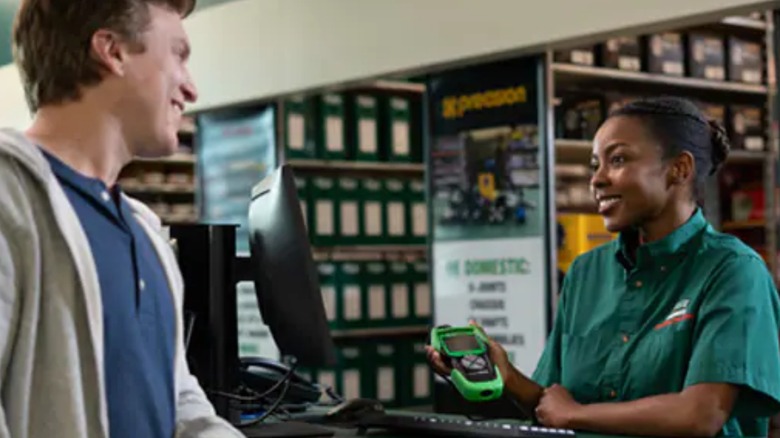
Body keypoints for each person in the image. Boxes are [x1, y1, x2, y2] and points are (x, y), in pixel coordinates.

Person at [427, 96, 780, 437]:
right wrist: (507, 376)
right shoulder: (585, 273)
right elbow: (552, 405)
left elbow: (701, 415)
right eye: (595, 164)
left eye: (618, 160)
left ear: (679, 169)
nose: (597, 179)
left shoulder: (733, 271)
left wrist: (576, 414)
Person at [0, 0, 242, 437]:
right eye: (178, 55)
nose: (191, 89)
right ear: (112, 51)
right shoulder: (9, 200)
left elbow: (179, 398)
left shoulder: (144, 231)